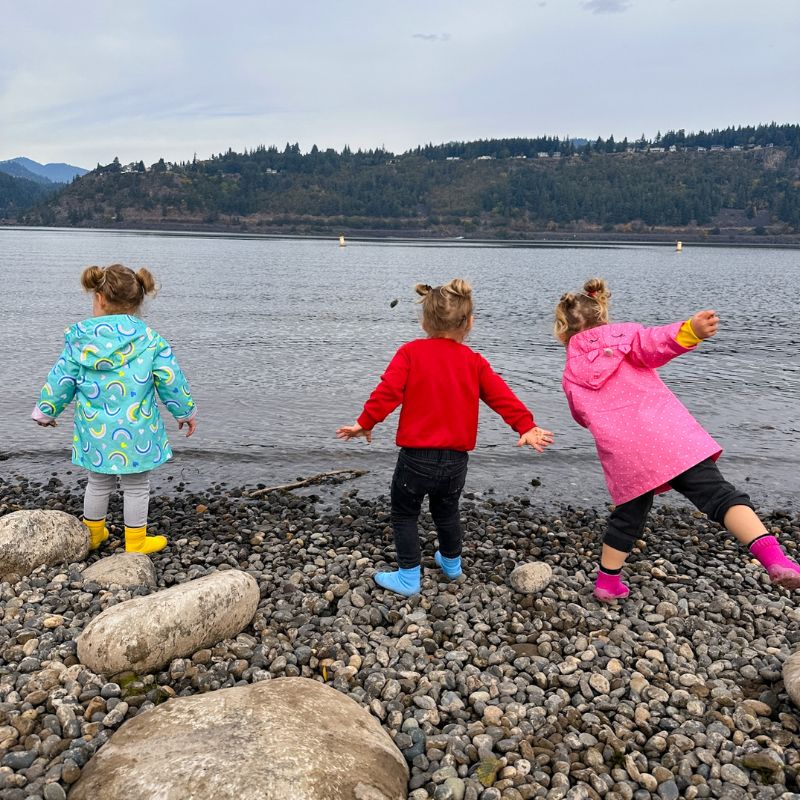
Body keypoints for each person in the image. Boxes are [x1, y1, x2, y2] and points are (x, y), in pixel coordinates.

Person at [555, 277, 800, 602]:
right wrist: (690, 330)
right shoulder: (627, 340)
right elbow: (658, 342)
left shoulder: (571, 373)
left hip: (625, 453)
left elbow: (580, 414)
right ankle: (775, 559)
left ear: (563, 331)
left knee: (627, 518)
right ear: (604, 315)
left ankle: (607, 583)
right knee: (721, 497)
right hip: (670, 439)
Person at [337, 279, 553, 597]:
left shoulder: (410, 353)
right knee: (447, 511)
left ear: (424, 322)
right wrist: (525, 426)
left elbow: (387, 393)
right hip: (455, 460)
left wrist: (365, 423)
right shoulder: (474, 363)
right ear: (469, 323)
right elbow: (501, 396)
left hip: (415, 458)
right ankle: (452, 565)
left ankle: (409, 576)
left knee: (404, 513)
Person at [32, 263, 197, 554]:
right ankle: (136, 542)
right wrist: (184, 412)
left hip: (96, 431)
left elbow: (61, 379)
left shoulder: (81, 342)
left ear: (100, 299)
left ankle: (94, 534)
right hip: (137, 430)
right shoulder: (150, 340)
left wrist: (46, 411)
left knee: (97, 482)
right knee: (136, 485)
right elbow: (171, 379)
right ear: (138, 301)